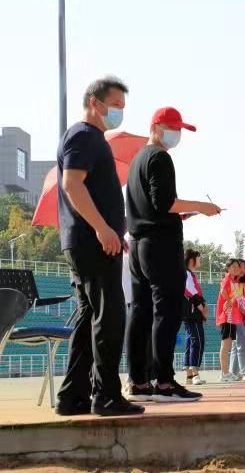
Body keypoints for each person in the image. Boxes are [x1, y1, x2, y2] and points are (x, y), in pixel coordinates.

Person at [55, 77, 143, 417]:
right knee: (110, 316)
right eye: (116, 105)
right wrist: (102, 227)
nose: (120, 112)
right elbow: (72, 184)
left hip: (90, 240)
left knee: (91, 316)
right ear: (95, 103)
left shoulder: (91, 139)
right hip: (91, 242)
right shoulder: (83, 136)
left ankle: (71, 396)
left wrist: (110, 229)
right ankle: (106, 395)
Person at [125, 107, 220, 402]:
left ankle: (138, 382)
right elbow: (165, 202)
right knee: (166, 314)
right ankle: (165, 382)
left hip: (139, 246)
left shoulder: (136, 161)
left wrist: (183, 214)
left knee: (140, 313)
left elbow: (152, 207)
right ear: (156, 126)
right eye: (172, 127)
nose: (176, 134)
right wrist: (202, 206)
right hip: (160, 248)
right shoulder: (159, 157)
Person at [228, 259, 245, 380]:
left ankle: (233, 373)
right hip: (235, 316)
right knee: (242, 344)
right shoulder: (232, 281)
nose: (242, 270)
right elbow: (236, 301)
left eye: (244, 268)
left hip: (243, 316)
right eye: (241, 267)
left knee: (237, 345)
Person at [183, 249, 208, 385]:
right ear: (192, 260)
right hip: (192, 311)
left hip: (190, 312)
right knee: (197, 340)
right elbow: (189, 292)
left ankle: (189, 375)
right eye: (198, 258)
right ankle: (195, 373)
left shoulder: (189, 274)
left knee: (190, 341)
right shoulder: (186, 274)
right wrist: (201, 306)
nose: (200, 261)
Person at [216, 259, 244, 382]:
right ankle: (224, 374)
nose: (236, 269)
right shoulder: (227, 278)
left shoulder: (236, 282)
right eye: (233, 267)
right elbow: (222, 290)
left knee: (228, 345)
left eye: (237, 267)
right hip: (226, 316)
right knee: (225, 345)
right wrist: (227, 301)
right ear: (228, 268)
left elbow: (238, 298)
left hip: (232, 318)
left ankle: (226, 373)